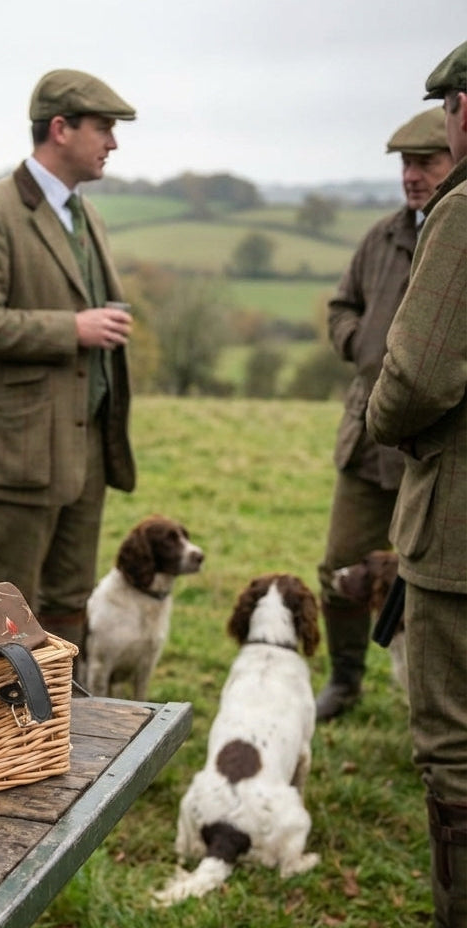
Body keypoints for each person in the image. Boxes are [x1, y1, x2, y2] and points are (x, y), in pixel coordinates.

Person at [0, 69, 137, 654]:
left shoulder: (86, 214)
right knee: (4, 598)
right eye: (103, 127)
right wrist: (72, 329)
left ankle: (63, 714)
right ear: (60, 128)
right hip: (23, 446)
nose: (113, 142)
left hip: (88, 446)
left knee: (70, 594)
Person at [366, 40, 467, 928]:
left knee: (455, 753)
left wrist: (380, 411)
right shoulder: (384, 234)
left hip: (460, 532)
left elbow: (421, 377)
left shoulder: (463, 214)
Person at [315, 107, 454, 721]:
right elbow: (342, 305)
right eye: (405, 164)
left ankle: (427, 702)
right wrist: (360, 342)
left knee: (422, 586)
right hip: (365, 437)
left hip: (434, 446)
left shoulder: (457, 229)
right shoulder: (382, 236)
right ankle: (345, 680)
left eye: (426, 162)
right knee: (337, 566)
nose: (412, 176)